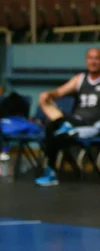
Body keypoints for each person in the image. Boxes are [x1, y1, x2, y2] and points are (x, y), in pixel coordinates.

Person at [35, 47, 100, 186]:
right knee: (46, 108)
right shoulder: (80, 79)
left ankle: (50, 171)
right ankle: (65, 127)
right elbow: (59, 92)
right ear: (86, 60)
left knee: (54, 130)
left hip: (90, 123)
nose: (93, 61)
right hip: (74, 120)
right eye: (90, 58)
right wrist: (49, 94)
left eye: (97, 58)